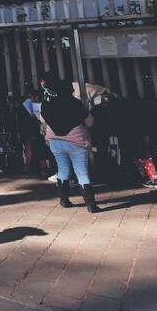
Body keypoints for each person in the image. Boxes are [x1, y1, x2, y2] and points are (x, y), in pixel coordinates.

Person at [41, 78, 99, 213]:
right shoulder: (75, 103)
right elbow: (89, 123)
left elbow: (43, 120)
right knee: (82, 173)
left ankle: (64, 200)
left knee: (62, 170)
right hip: (76, 142)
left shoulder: (46, 104)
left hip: (55, 142)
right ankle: (91, 205)